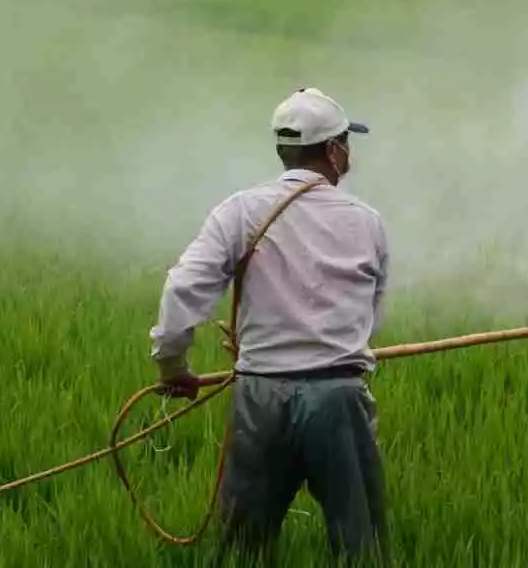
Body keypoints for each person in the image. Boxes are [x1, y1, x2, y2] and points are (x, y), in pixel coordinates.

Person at [147, 87, 390, 565]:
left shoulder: (239, 210)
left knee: (244, 549)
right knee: (361, 545)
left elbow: (182, 290)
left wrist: (172, 366)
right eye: (346, 142)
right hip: (338, 396)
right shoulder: (367, 223)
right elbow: (371, 314)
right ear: (334, 149)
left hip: (260, 397)